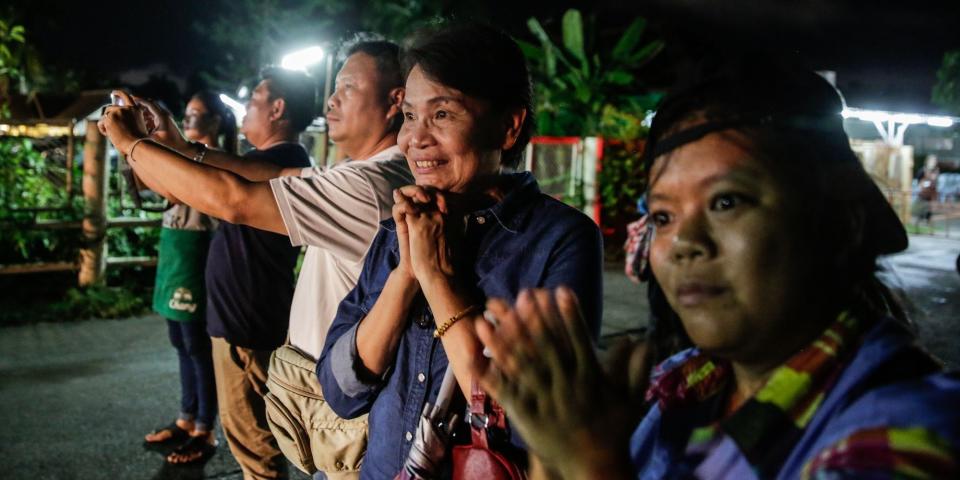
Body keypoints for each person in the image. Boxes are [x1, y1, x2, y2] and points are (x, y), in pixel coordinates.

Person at [474, 58, 960, 479]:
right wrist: (551, 446)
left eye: (727, 202)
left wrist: (591, 463)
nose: (684, 243)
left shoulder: (909, 434)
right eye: (663, 216)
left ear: (839, 221)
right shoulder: (682, 382)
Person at [101, 40, 412, 478]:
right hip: (337, 392)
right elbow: (269, 175)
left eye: (347, 86)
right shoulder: (366, 173)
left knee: (261, 456)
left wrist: (130, 143)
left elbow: (233, 198)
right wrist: (176, 143)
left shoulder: (369, 184)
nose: (332, 99)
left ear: (395, 100)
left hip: (343, 400)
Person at [316, 23, 604, 479]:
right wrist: (406, 274)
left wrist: (436, 277)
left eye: (443, 114)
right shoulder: (399, 231)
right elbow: (341, 390)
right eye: (410, 116)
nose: (416, 139)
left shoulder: (561, 240)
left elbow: (541, 423)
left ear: (508, 127)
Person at [100, 67, 315, 479]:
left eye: (253, 100)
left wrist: (135, 143)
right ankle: (193, 423)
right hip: (240, 315)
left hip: (247, 321)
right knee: (249, 435)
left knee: (255, 442)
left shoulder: (283, 160)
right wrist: (158, 143)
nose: (245, 109)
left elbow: (198, 190)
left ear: (278, 109)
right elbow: (185, 178)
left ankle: (202, 430)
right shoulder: (262, 160)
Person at [143, 91, 236, 465]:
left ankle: (204, 429)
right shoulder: (182, 152)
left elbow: (178, 191)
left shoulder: (214, 160)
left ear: (216, 120)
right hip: (176, 250)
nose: (190, 120)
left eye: (198, 114)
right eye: (187, 114)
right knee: (180, 341)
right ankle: (185, 418)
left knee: (198, 345)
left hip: (200, 250)